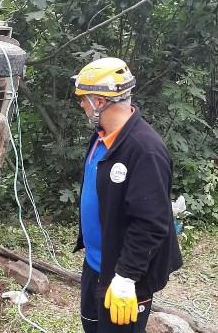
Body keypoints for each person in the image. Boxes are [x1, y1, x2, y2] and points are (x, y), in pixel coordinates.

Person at [72, 57, 182, 332]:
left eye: (84, 98)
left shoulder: (145, 150)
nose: (81, 104)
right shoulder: (102, 136)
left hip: (125, 277)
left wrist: (126, 277)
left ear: (100, 101)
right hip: (96, 264)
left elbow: (151, 223)